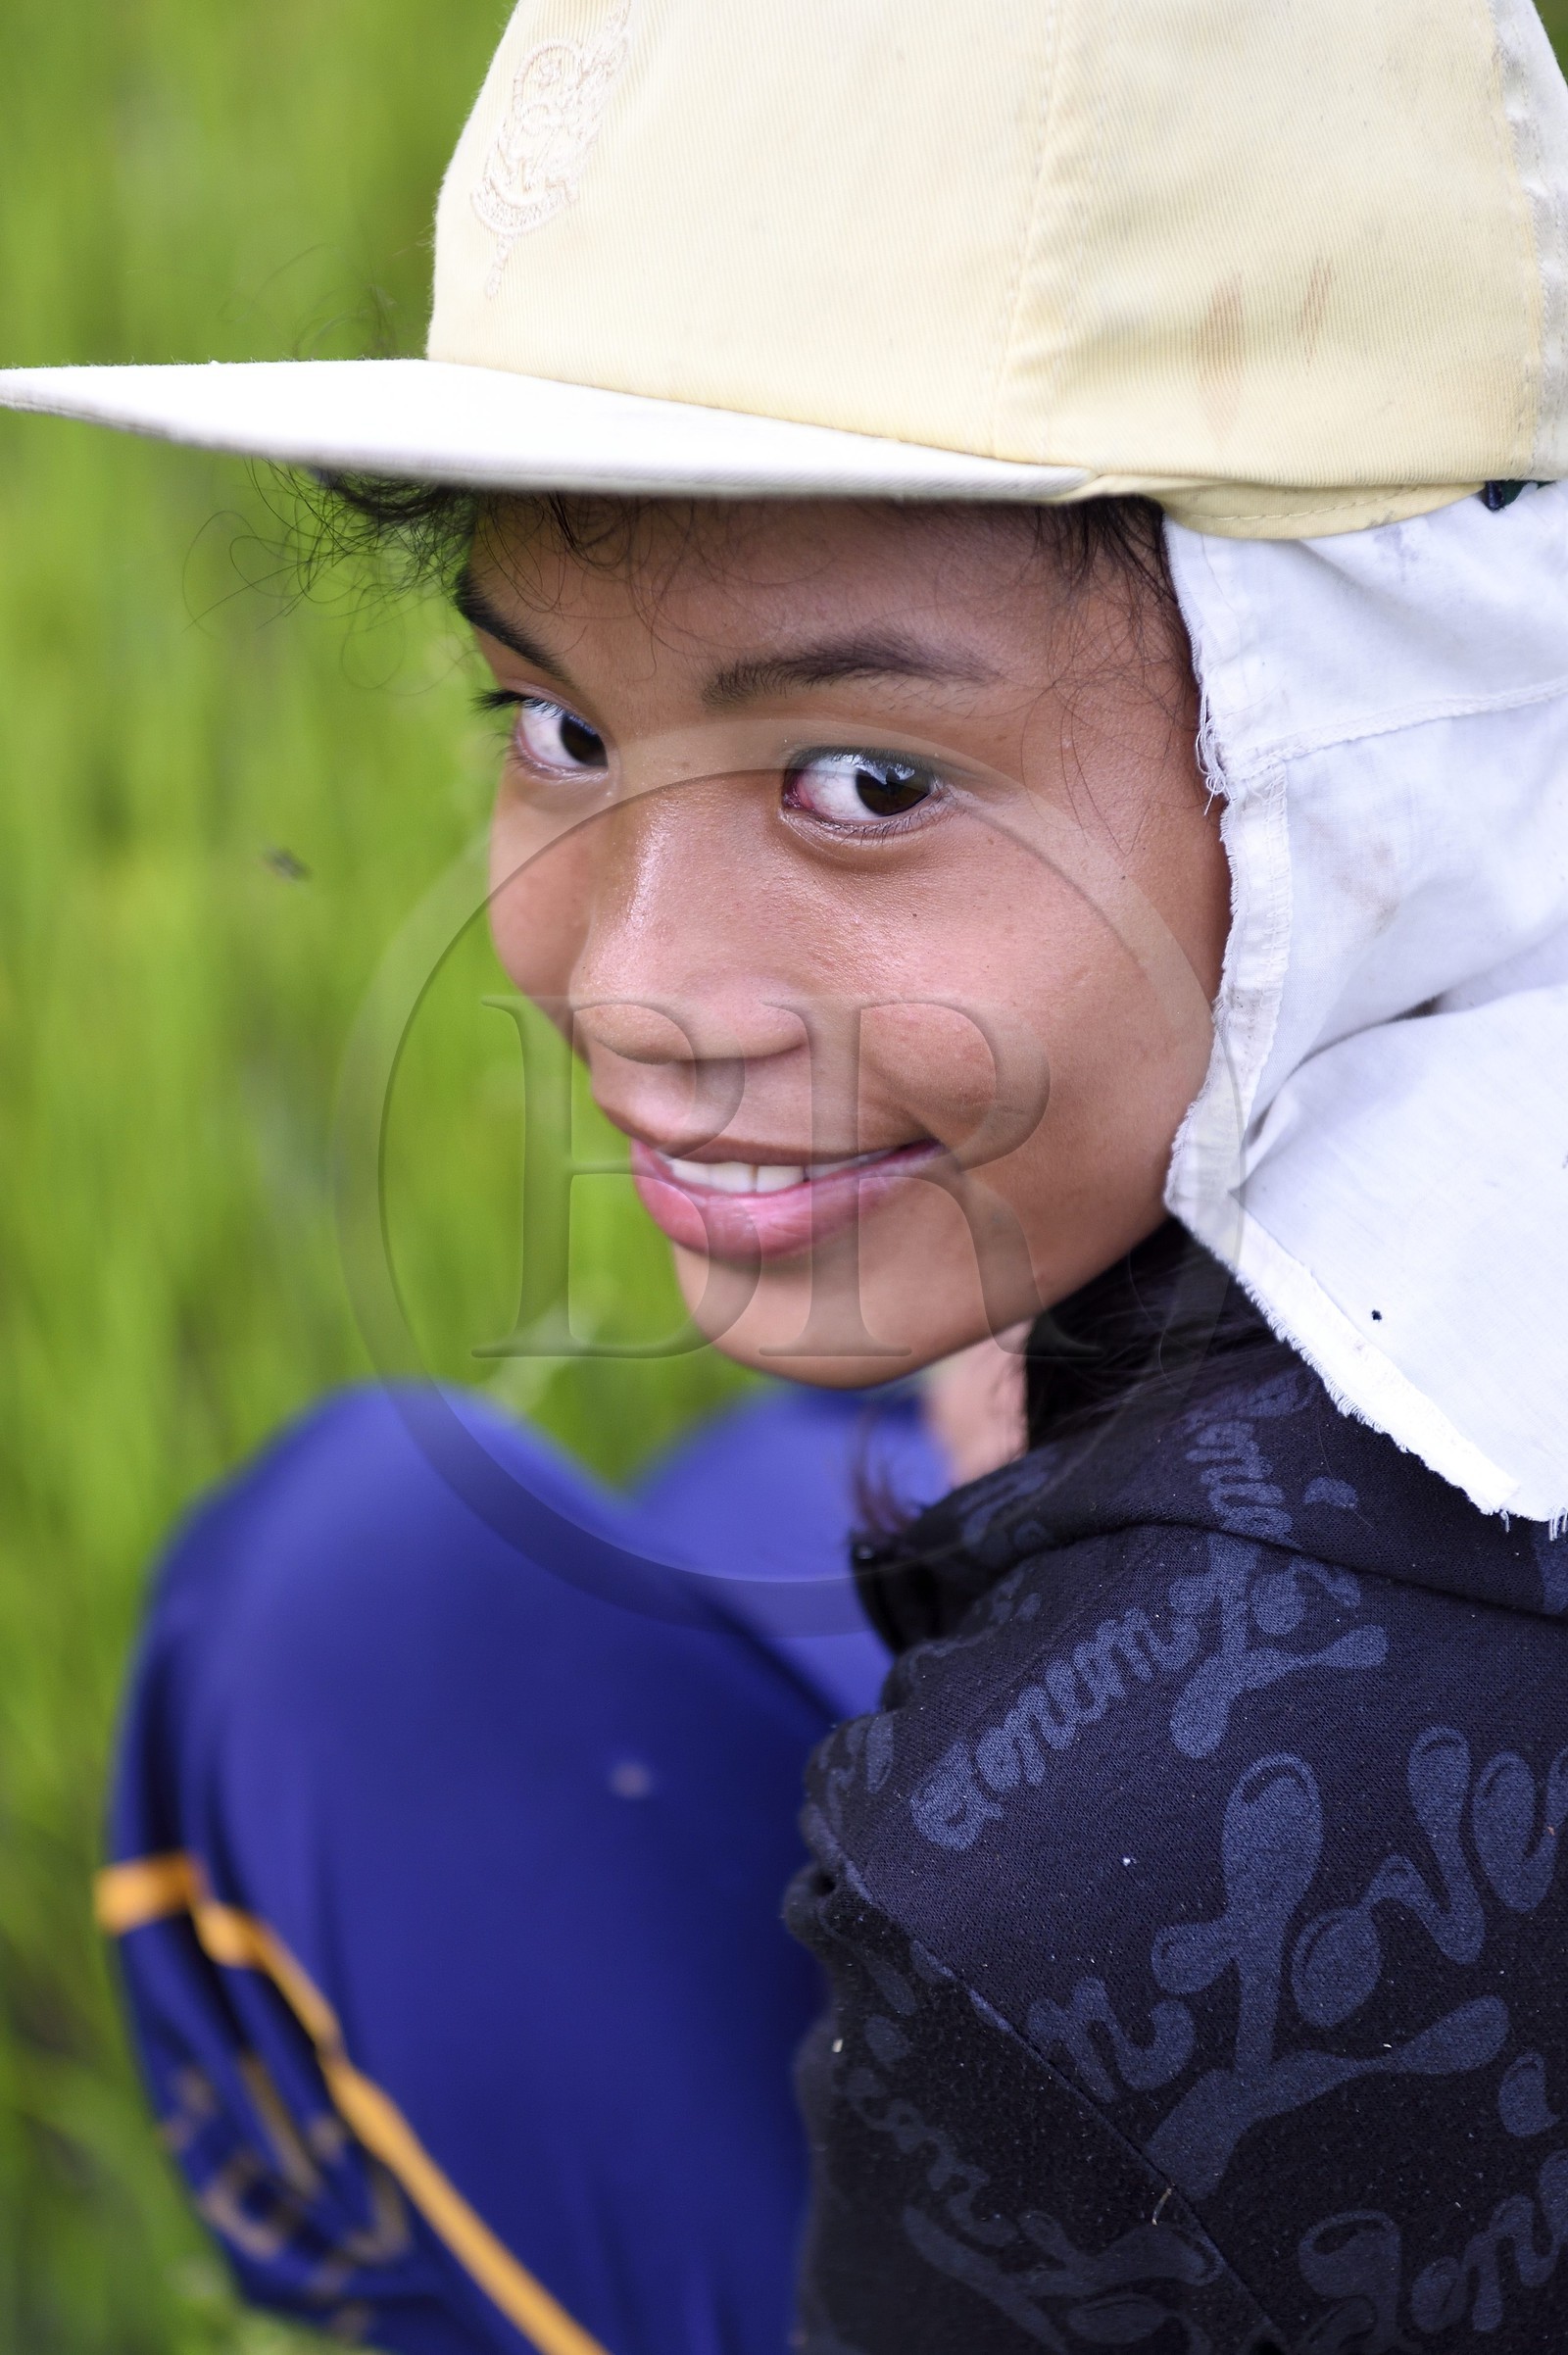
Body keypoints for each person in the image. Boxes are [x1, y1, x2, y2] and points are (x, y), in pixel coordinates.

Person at [7, 0, 1568, 2349]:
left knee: (346, 1631)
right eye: (556, 726)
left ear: (1334, 738)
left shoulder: (1069, 1894)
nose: (627, 987)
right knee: (793, 1456)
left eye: (863, 780)